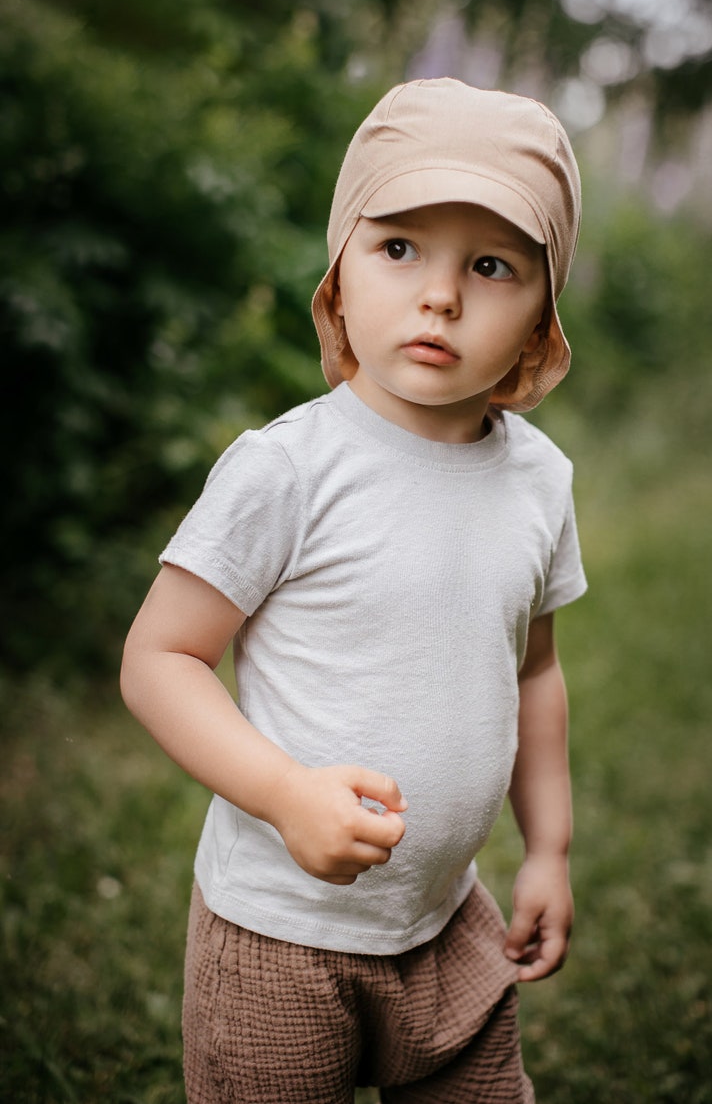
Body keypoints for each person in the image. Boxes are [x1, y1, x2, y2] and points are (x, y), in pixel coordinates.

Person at [120, 76, 586, 1103]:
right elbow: (160, 659)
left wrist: (546, 848)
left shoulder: (536, 480)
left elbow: (534, 673)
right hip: (280, 933)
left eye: (492, 265)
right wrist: (284, 793)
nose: (440, 295)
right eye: (399, 248)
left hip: (448, 920)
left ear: (541, 317)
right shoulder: (288, 468)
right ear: (338, 276)